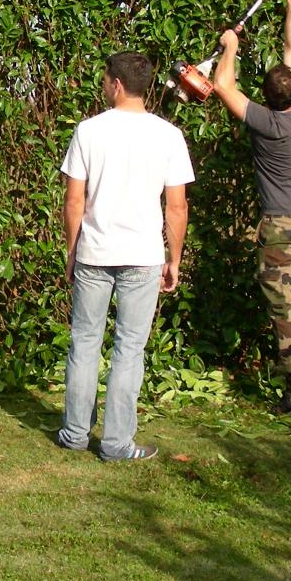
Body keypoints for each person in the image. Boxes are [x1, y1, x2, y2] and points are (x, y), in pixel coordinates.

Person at [56, 52, 194, 461]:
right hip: (143, 255)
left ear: (115, 84)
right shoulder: (168, 135)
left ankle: (75, 433)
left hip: (94, 252)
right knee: (129, 348)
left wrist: (71, 249)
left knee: (84, 343)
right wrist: (175, 258)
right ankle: (116, 443)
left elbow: (74, 199)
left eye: (104, 79)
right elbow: (177, 206)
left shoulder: (88, 131)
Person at [212, 0, 291, 413]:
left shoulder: (265, 122)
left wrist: (230, 45)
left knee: (282, 304)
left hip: (280, 227)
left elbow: (223, 85)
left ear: (266, 98)